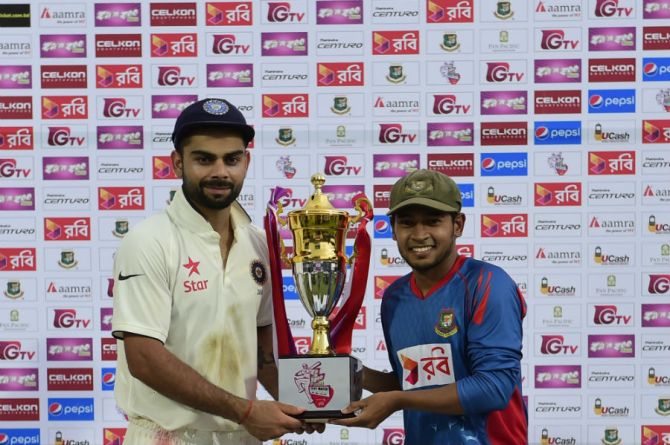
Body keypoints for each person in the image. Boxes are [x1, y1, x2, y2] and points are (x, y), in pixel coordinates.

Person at [111, 98, 316, 444]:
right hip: (169, 436)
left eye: (232, 159)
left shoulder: (258, 244)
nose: (220, 172)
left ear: (246, 162)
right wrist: (248, 411)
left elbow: (261, 349)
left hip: (242, 434)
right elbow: (144, 358)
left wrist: (310, 404)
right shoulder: (149, 241)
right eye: (204, 159)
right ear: (177, 163)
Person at [332, 169, 528, 445]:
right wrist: (350, 373)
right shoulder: (394, 298)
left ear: (457, 225)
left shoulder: (487, 283)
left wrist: (396, 401)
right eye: (408, 223)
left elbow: (495, 387)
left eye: (433, 221)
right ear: (393, 228)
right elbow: (414, 381)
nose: (419, 234)